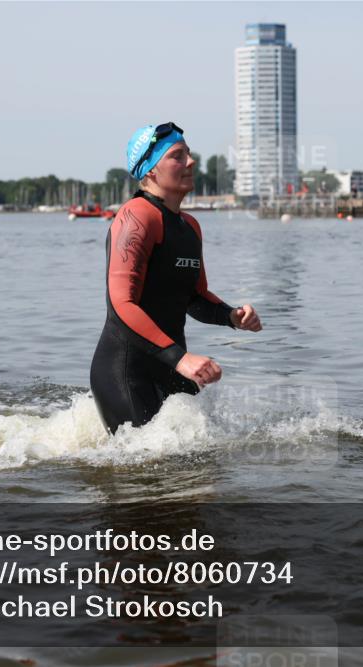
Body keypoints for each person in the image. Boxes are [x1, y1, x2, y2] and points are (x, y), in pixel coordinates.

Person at [89, 122, 262, 434]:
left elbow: (194, 298)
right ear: (152, 169)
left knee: (204, 468)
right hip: (127, 370)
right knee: (144, 475)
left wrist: (231, 316)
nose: (191, 162)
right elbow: (121, 303)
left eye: (189, 154)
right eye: (178, 156)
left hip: (172, 365)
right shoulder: (137, 216)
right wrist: (180, 358)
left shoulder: (190, 226)